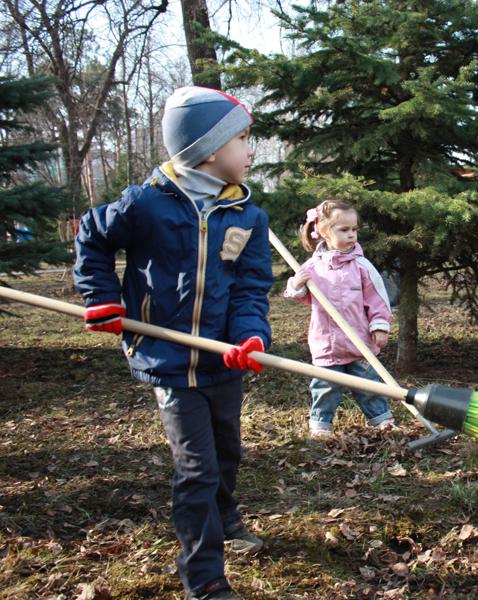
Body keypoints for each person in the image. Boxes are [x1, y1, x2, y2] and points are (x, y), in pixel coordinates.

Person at [73, 86, 273, 600]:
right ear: (210, 149)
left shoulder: (248, 215)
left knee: (228, 451)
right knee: (196, 469)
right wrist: (103, 298)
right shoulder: (145, 205)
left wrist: (250, 336)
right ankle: (204, 577)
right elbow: (92, 236)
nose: (251, 151)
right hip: (167, 360)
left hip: (224, 360)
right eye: (243, 140)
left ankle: (226, 517)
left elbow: (251, 286)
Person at [284, 199, 395, 438]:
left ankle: (382, 421)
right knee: (325, 387)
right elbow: (299, 296)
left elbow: (378, 299)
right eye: (344, 230)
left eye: (354, 229)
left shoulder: (361, 266)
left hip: (359, 341)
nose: (351, 235)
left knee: (369, 386)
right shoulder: (313, 267)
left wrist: (380, 326)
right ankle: (321, 425)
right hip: (326, 343)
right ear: (323, 232)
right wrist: (296, 283)